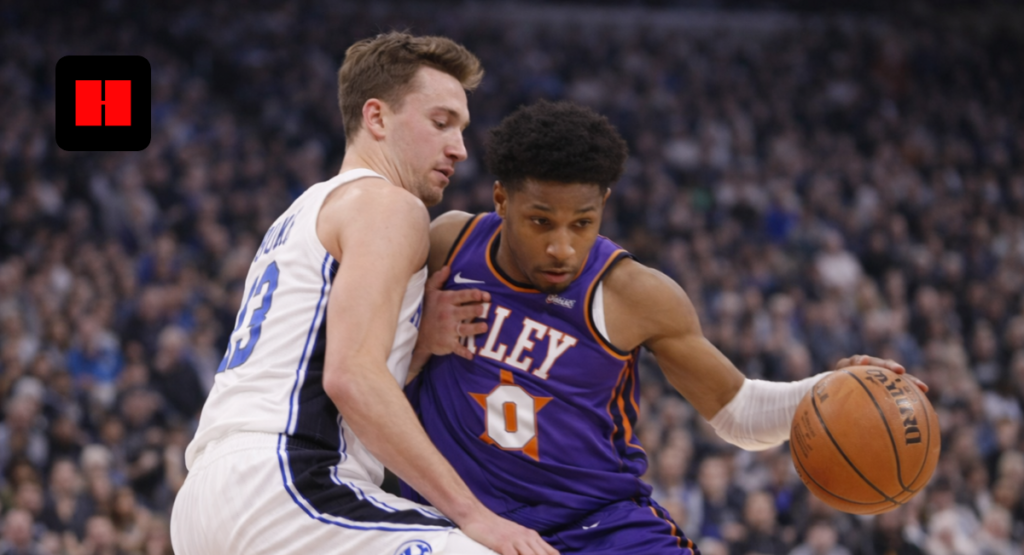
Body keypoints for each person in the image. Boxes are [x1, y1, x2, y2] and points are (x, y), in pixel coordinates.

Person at [403, 100, 924, 554]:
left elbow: (738, 412)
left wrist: (831, 391)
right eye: (540, 221)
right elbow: (354, 369)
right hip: (452, 515)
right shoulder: (450, 244)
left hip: (595, 525)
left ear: (603, 206)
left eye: (582, 223)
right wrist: (420, 342)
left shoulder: (636, 295)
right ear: (501, 200)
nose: (562, 246)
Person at [170, 32, 556, 555]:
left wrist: (415, 344)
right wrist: (474, 515)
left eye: (462, 129)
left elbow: (311, 363)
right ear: (376, 118)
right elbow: (349, 376)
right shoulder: (389, 206)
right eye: (441, 123)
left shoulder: (302, 212)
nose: (460, 148)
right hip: (286, 483)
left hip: (209, 500)